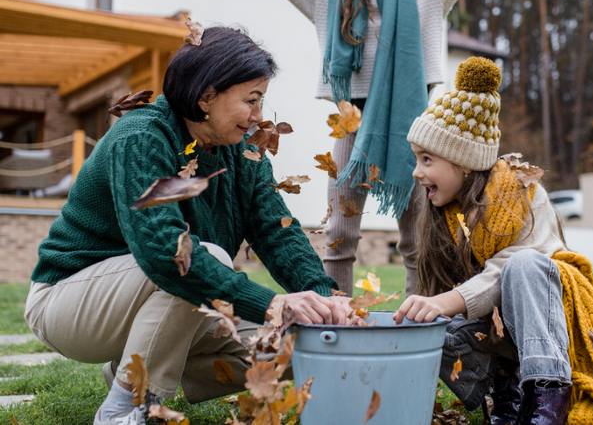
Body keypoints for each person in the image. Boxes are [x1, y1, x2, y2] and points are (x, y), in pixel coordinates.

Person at [169, 0, 581, 297]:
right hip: (352, 123)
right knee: (338, 234)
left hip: (415, 125)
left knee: (420, 239)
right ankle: (339, 317)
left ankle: (422, 322)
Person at [24, 27, 353, 425]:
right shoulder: (144, 137)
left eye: (261, 100)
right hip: (69, 304)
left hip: (157, 302)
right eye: (251, 100)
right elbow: (165, 253)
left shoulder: (244, 152)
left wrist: (321, 298)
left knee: (300, 341)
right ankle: (126, 410)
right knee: (196, 257)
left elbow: (276, 231)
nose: (259, 115)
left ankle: (129, 371)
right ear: (206, 97)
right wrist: (273, 303)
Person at [394, 57, 593, 425]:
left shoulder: (523, 194)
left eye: (427, 159)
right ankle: (508, 391)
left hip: (551, 331)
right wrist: (418, 316)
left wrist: (452, 300)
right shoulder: (443, 215)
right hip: (498, 331)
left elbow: (514, 267)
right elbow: (434, 293)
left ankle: (546, 397)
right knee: (429, 329)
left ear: (463, 162)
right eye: (417, 159)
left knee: (523, 266)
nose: (417, 171)